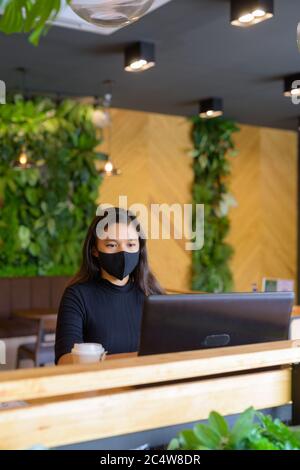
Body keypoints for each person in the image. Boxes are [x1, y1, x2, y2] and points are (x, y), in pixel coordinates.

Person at [55, 207, 164, 365]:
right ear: (95, 250)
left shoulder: (153, 296)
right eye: (112, 245)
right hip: (98, 386)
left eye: (131, 245)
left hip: (147, 385)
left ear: (140, 249)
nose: (123, 252)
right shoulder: (77, 296)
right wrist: (134, 358)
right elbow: (64, 360)